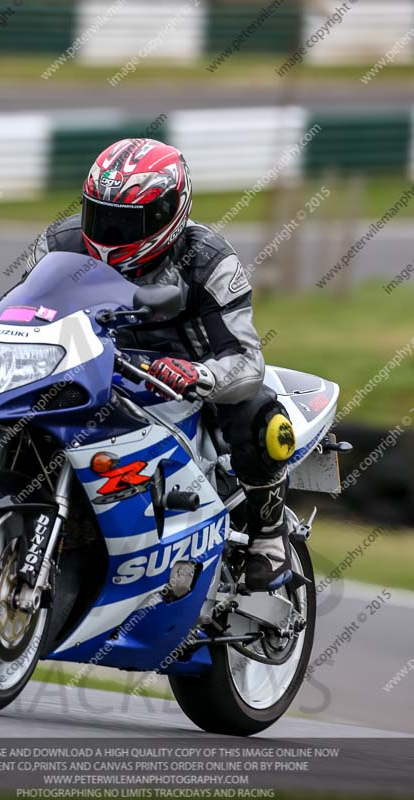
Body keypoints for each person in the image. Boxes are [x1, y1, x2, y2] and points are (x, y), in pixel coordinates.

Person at [26, 138, 296, 592]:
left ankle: (269, 535)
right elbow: (24, 312)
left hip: (182, 384)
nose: (110, 232)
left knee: (263, 415)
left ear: (169, 214)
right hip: (92, 372)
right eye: (101, 215)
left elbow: (246, 358)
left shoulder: (209, 260)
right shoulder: (59, 244)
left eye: (127, 221)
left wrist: (201, 375)